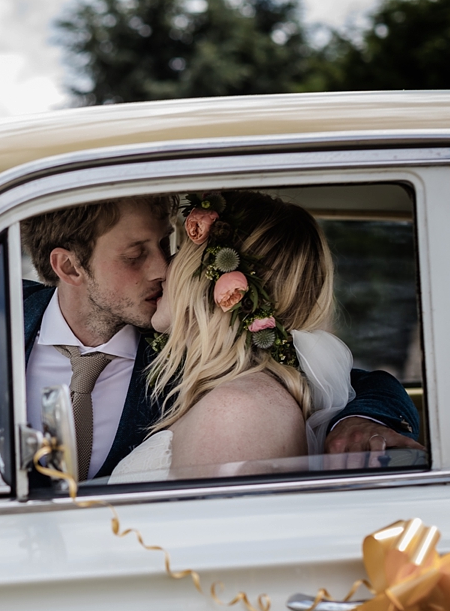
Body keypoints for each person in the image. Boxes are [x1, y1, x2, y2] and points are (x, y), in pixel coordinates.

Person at [111, 190, 383, 481]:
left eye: (180, 250)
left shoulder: (236, 411)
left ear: (209, 277)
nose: (164, 269)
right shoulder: (239, 393)